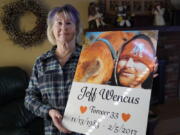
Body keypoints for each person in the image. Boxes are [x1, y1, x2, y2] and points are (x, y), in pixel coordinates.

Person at [24, 4, 82, 135]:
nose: (63, 28)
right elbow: (29, 98)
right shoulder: (41, 62)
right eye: (59, 23)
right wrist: (49, 111)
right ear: (52, 29)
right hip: (52, 131)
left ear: (76, 28)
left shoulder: (89, 59)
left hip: (84, 130)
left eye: (68, 23)